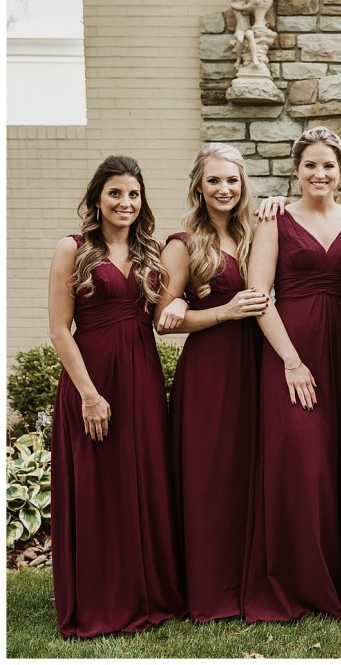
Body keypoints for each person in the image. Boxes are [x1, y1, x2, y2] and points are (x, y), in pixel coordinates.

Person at [48, 155, 184, 637]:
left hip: (141, 378)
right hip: (93, 379)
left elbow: (167, 308)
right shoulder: (73, 248)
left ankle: (147, 593)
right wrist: (88, 394)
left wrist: (180, 301)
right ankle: (101, 598)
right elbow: (59, 330)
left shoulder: (152, 252)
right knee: (99, 487)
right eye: (115, 193)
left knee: (144, 481)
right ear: (98, 198)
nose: (125, 202)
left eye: (133, 194)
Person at [242, 126, 341, 622]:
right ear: (296, 170)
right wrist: (291, 362)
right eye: (311, 165)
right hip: (292, 355)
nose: (320, 173)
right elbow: (259, 297)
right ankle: (300, 581)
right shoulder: (273, 220)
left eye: (328, 165)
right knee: (304, 464)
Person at [153, 143, 266, 622]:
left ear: (243, 185)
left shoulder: (256, 233)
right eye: (214, 180)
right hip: (210, 374)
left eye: (232, 180)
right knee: (210, 476)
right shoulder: (182, 244)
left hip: (255, 365)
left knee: (250, 472)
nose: (224, 189)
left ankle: (250, 581)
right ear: (199, 187)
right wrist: (219, 311)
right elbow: (163, 320)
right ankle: (209, 589)